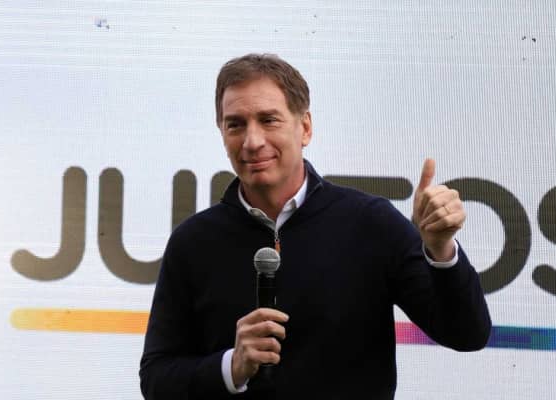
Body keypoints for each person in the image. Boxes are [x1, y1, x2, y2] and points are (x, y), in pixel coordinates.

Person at [140, 53, 491, 399]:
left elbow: (467, 334)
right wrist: (231, 368)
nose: (252, 141)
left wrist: (440, 250)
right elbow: (156, 379)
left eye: (269, 120)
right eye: (236, 124)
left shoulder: (371, 223)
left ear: (305, 128)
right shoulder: (193, 242)